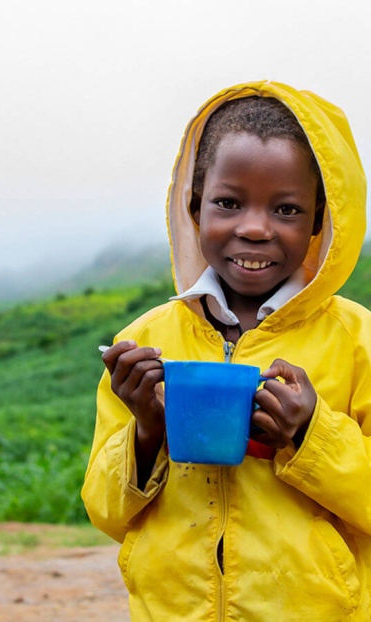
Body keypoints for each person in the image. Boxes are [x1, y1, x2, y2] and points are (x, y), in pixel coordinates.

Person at [81, 80, 371, 621]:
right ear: (194, 206)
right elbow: (104, 510)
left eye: (286, 209)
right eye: (228, 202)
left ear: (318, 221)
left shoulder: (359, 342)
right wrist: (147, 428)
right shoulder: (143, 339)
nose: (254, 228)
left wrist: (310, 434)